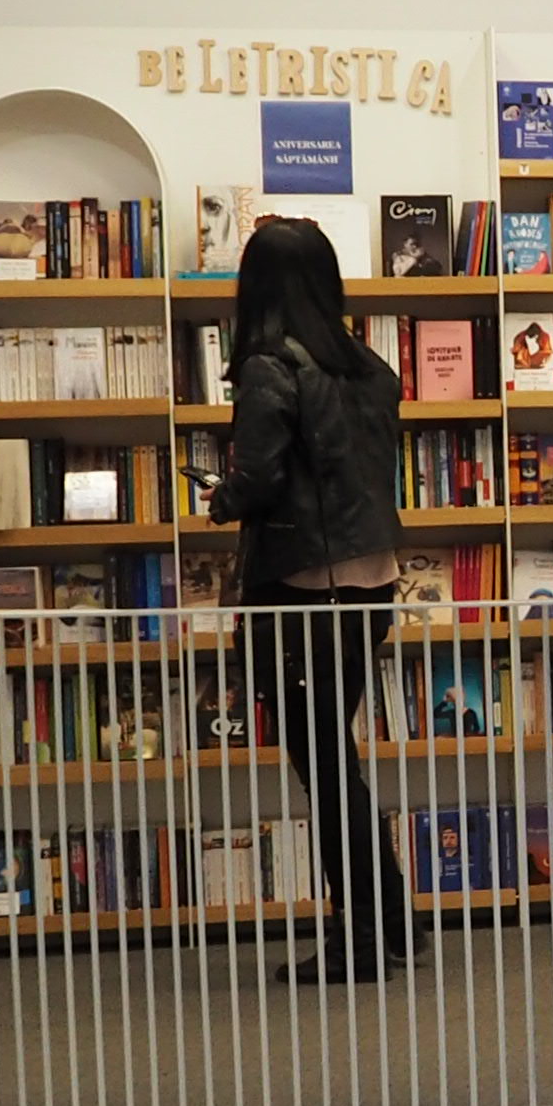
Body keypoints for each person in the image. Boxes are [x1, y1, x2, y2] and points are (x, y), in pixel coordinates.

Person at [208, 218, 415, 985]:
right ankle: (392, 922)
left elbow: (258, 478)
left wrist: (221, 499)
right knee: (339, 760)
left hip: (300, 592)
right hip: (371, 583)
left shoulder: (269, 367)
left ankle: (360, 938)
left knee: (324, 769)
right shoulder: (367, 364)